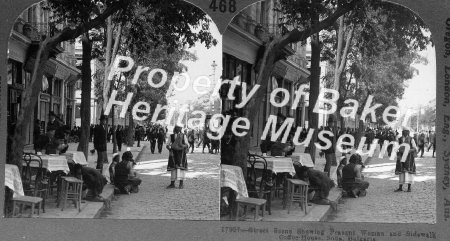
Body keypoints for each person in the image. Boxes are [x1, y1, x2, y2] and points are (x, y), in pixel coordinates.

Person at [394, 127, 417, 192]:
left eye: (407, 131)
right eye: (404, 131)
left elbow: (415, 148)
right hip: (401, 157)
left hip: (409, 158)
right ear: (402, 132)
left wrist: (409, 150)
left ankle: (409, 188)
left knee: (409, 172)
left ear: (408, 132)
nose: (405, 133)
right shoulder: (399, 139)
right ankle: (400, 187)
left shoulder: (411, 139)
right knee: (401, 172)